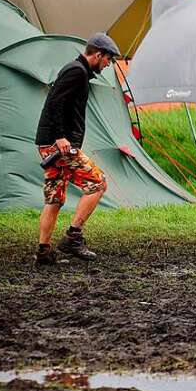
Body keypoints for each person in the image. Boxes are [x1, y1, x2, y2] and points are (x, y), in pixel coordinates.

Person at [34, 33, 122, 266]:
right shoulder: (77, 71)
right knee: (97, 183)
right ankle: (73, 237)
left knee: (55, 197)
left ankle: (44, 252)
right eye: (108, 59)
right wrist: (61, 136)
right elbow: (54, 102)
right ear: (98, 54)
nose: (108, 64)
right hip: (59, 147)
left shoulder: (77, 70)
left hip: (48, 145)